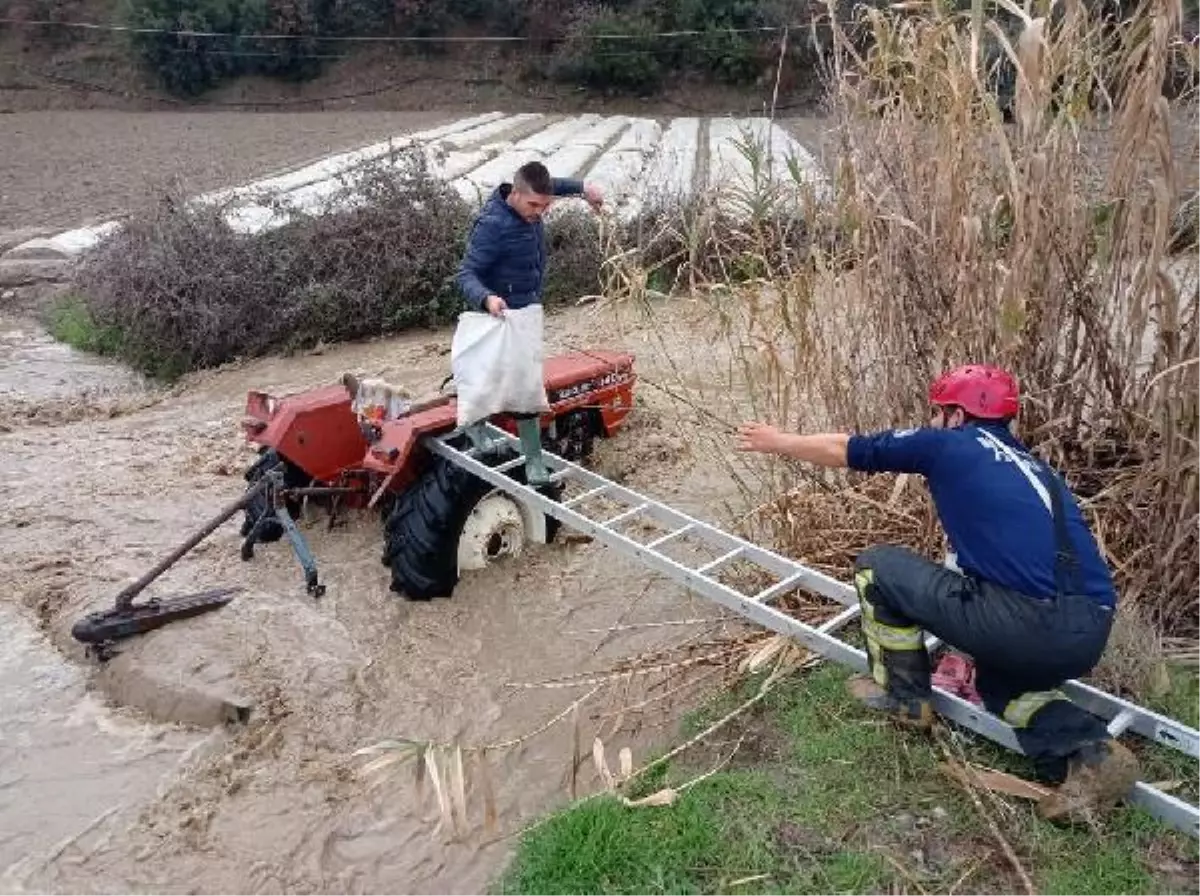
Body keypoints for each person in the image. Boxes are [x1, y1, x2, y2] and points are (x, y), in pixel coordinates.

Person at [735, 364, 1140, 824]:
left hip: (1026, 622)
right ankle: (1092, 751)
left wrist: (777, 441)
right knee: (1002, 686)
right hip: (1088, 632)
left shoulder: (952, 443)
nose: (933, 421)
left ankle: (904, 699)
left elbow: (847, 448)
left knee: (878, 567)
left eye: (938, 412)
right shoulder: (1038, 469)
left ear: (955, 414)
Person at [454, 160, 604, 485]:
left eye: (546, 205)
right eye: (534, 205)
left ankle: (530, 458)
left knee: (524, 384)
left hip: (526, 312)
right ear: (516, 194)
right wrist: (486, 298)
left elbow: (553, 185)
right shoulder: (492, 225)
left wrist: (583, 189)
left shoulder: (535, 199)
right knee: (490, 376)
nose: (540, 212)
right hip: (497, 312)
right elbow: (466, 273)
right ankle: (489, 438)